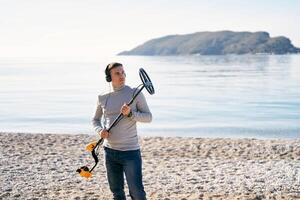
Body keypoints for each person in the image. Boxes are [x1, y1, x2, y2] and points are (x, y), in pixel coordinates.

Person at [92, 62, 152, 200]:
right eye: (117, 73)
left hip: (130, 153)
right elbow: (95, 120)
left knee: (136, 192)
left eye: (123, 72)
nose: (122, 76)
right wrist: (100, 130)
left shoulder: (134, 93)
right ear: (109, 77)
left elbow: (148, 117)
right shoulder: (102, 97)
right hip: (110, 152)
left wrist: (131, 114)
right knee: (117, 192)